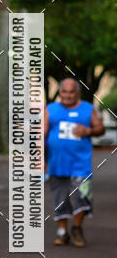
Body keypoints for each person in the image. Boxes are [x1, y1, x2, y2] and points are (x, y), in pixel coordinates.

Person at [44, 77, 105, 247]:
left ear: (77, 93)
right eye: (64, 91)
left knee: (81, 196)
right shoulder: (51, 109)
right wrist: (39, 159)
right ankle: (63, 232)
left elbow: (100, 129)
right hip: (56, 164)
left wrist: (88, 130)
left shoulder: (88, 109)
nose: (68, 95)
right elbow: (41, 134)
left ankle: (77, 228)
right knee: (60, 198)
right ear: (60, 92)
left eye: (72, 92)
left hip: (80, 164)